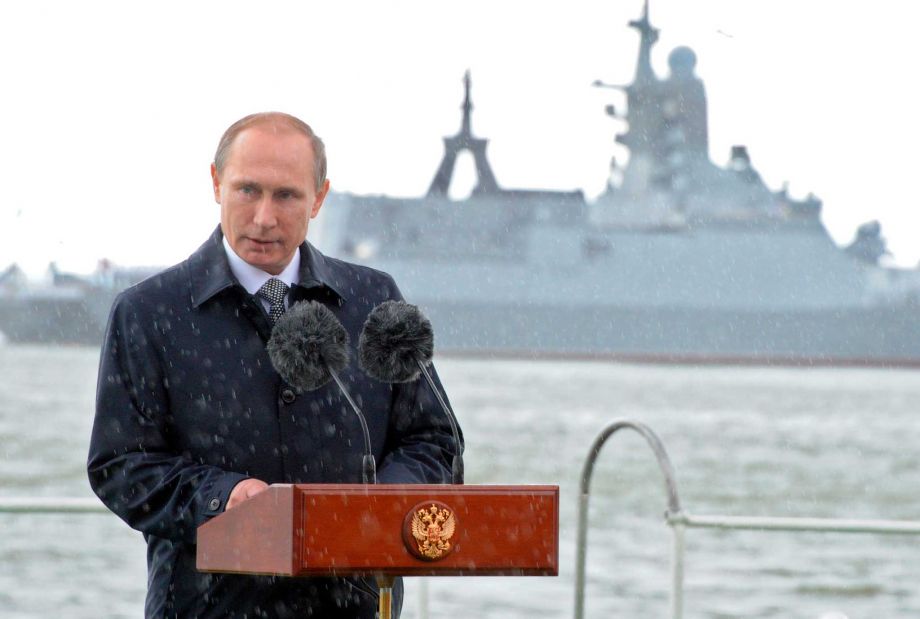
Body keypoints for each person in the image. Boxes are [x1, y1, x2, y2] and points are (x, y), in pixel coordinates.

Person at [87, 112, 461, 618]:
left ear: (319, 198)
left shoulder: (375, 299)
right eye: (247, 191)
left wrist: (391, 500)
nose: (264, 217)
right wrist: (223, 497)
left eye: (286, 196)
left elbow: (435, 439)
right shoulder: (148, 312)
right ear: (217, 184)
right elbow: (120, 465)